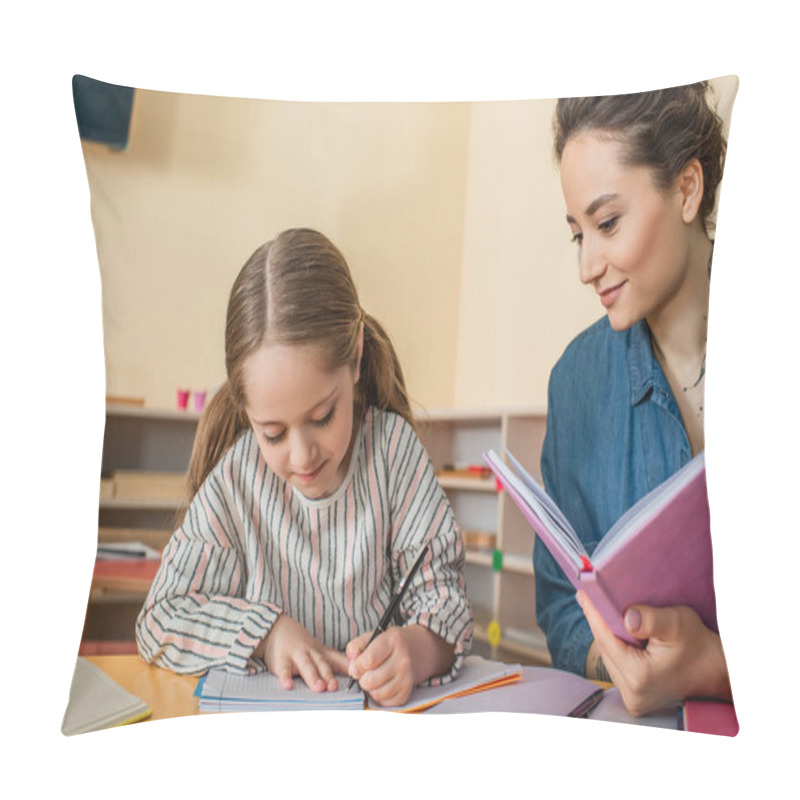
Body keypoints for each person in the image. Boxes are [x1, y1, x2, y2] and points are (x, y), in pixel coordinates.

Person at [136, 228, 473, 708]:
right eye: (272, 433)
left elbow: (446, 600)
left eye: (322, 417)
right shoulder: (238, 478)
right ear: (246, 409)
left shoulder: (393, 454)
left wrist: (417, 651)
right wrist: (266, 634)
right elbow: (159, 618)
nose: (301, 456)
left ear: (355, 356)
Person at [535, 82, 733, 716]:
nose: (587, 265)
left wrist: (717, 668)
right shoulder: (576, 382)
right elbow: (562, 605)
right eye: (577, 235)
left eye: (608, 222)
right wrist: (616, 662)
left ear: (685, 189)